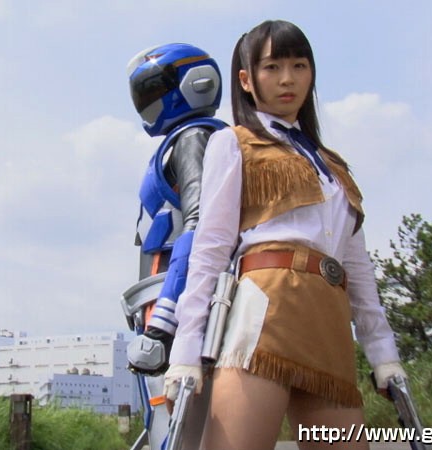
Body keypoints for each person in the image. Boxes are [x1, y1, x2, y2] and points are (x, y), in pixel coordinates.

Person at [163, 20, 407, 450]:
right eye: (272, 67)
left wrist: (383, 352)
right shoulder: (233, 143)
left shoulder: (334, 167)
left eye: (299, 66)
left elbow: (358, 267)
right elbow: (210, 249)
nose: (288, 79)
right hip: (266, 311)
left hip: (329, 321)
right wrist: (186, 349)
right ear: (247, 79)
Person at [121, 42, 226, 450]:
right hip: (169, 296)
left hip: (178, 302)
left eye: (153, 89)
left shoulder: (193, 138)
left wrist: (163, 320)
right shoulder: (185, 141)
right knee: (166, 419)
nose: (146, 102)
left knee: (178, 424)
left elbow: (200, 227)